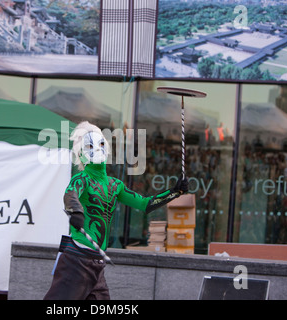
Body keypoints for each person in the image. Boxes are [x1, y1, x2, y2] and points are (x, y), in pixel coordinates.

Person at [43, 121, 189, 300]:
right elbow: (70, 193)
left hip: (97, 264)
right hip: (77, 260)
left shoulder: (115, 185)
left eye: (101, 144)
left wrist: (175, 192)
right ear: (80, 154)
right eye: (90, 145)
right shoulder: (82, 178)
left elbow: (145, 204)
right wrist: (76, 211)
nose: (97, 149)